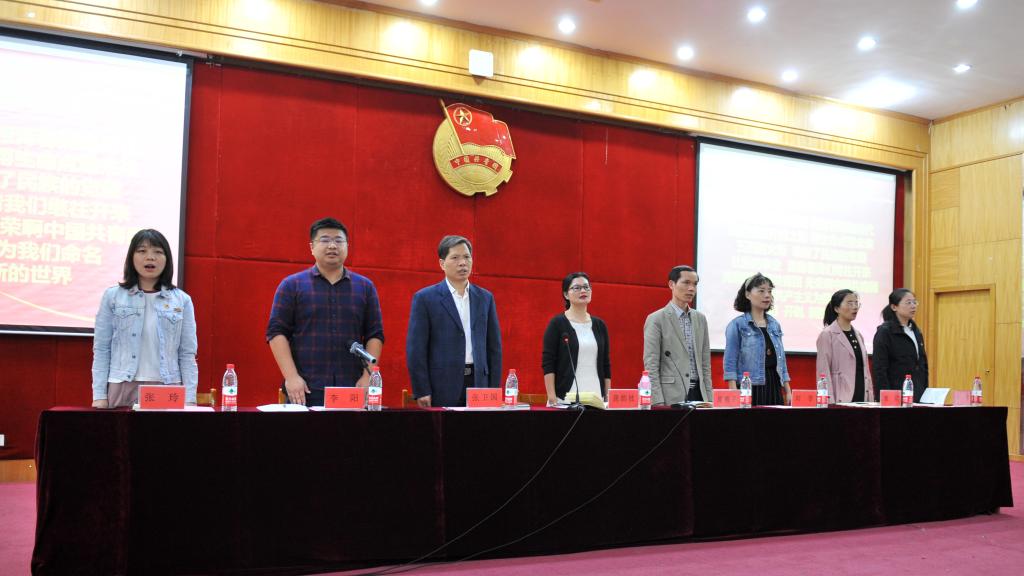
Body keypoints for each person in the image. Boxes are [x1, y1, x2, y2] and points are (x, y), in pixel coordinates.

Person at [266, 217, 384, 406]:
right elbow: (276, 333)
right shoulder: (292, 285)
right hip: (306, 388)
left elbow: (375, 334)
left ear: (347, 246)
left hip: (352, 387)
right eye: (325, 240)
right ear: (311, 247)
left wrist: (367, 376)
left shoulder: (365, 287)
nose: (332, 246)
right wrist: (292, 377)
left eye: (339, 240)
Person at [91, 229, 198, 407]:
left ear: (167, 259)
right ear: (131, 257)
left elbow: (187, 354)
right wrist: (99, 395)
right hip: (122, 385)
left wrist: (189, 399)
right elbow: (102, 349)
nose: (150, 257)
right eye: (142, 251)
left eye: (158, 252)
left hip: (167, 386)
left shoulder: (182, 300)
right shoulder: (113, 296)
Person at [406, 235, 502, 407]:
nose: (462, 263)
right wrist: (422, 389)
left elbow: (494, 348)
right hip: (441, 385)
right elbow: (416, 349)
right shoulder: (425, 298)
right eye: (455, 257)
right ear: (442, 264)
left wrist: (494, 389)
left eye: (466, 257)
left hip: (479, 383)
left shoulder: (485, 298)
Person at [643, 265, 712, 404]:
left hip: (700, 394)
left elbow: (705, 364)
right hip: (670, 396)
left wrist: (709, 398)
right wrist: (657, 401)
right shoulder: (657, 319)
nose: (691, 288)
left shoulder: (700, 319)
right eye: (686, 283)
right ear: (671, 284)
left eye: (695, 284)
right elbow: (651, 365)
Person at [541, 272, 611, 405]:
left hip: (596, 397)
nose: (583, 291)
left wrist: (607, 397)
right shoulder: (557, 324)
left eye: (586, 287)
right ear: (566, 295)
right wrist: (552, 397)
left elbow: (605, 364)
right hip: (565, 399)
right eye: (577, 288)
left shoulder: (600, 325)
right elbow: (548, 363)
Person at [723, 273, 791, 405]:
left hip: (774, 383)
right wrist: (733, 391)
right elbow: (730, 360)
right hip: (749, 385)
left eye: (769, 291)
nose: (767, 295)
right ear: (748, 294)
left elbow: (782, 360)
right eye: (761, 291)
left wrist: (788, 390)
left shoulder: (774, 324)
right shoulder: (737, 325)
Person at [815, 289, 874, 403]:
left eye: (856, 303)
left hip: (862, 397)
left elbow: (866, 371)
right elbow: (823, 371)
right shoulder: (827, 334)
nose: (855, 307)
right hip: (840, 398)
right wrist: (828, 401)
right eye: (850, 303)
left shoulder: (858, 335)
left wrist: (870, 397)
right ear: (837, 309)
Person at [872, 288, 928, 402]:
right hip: (894, 395)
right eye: (908, 302)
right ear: (894, 307)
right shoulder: (885, 332)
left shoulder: (916, 331)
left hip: (917, 394)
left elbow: (922, 364)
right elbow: (879, 369)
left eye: (914, 302)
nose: (913, 306)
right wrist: (887, 398)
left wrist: (925, 391)